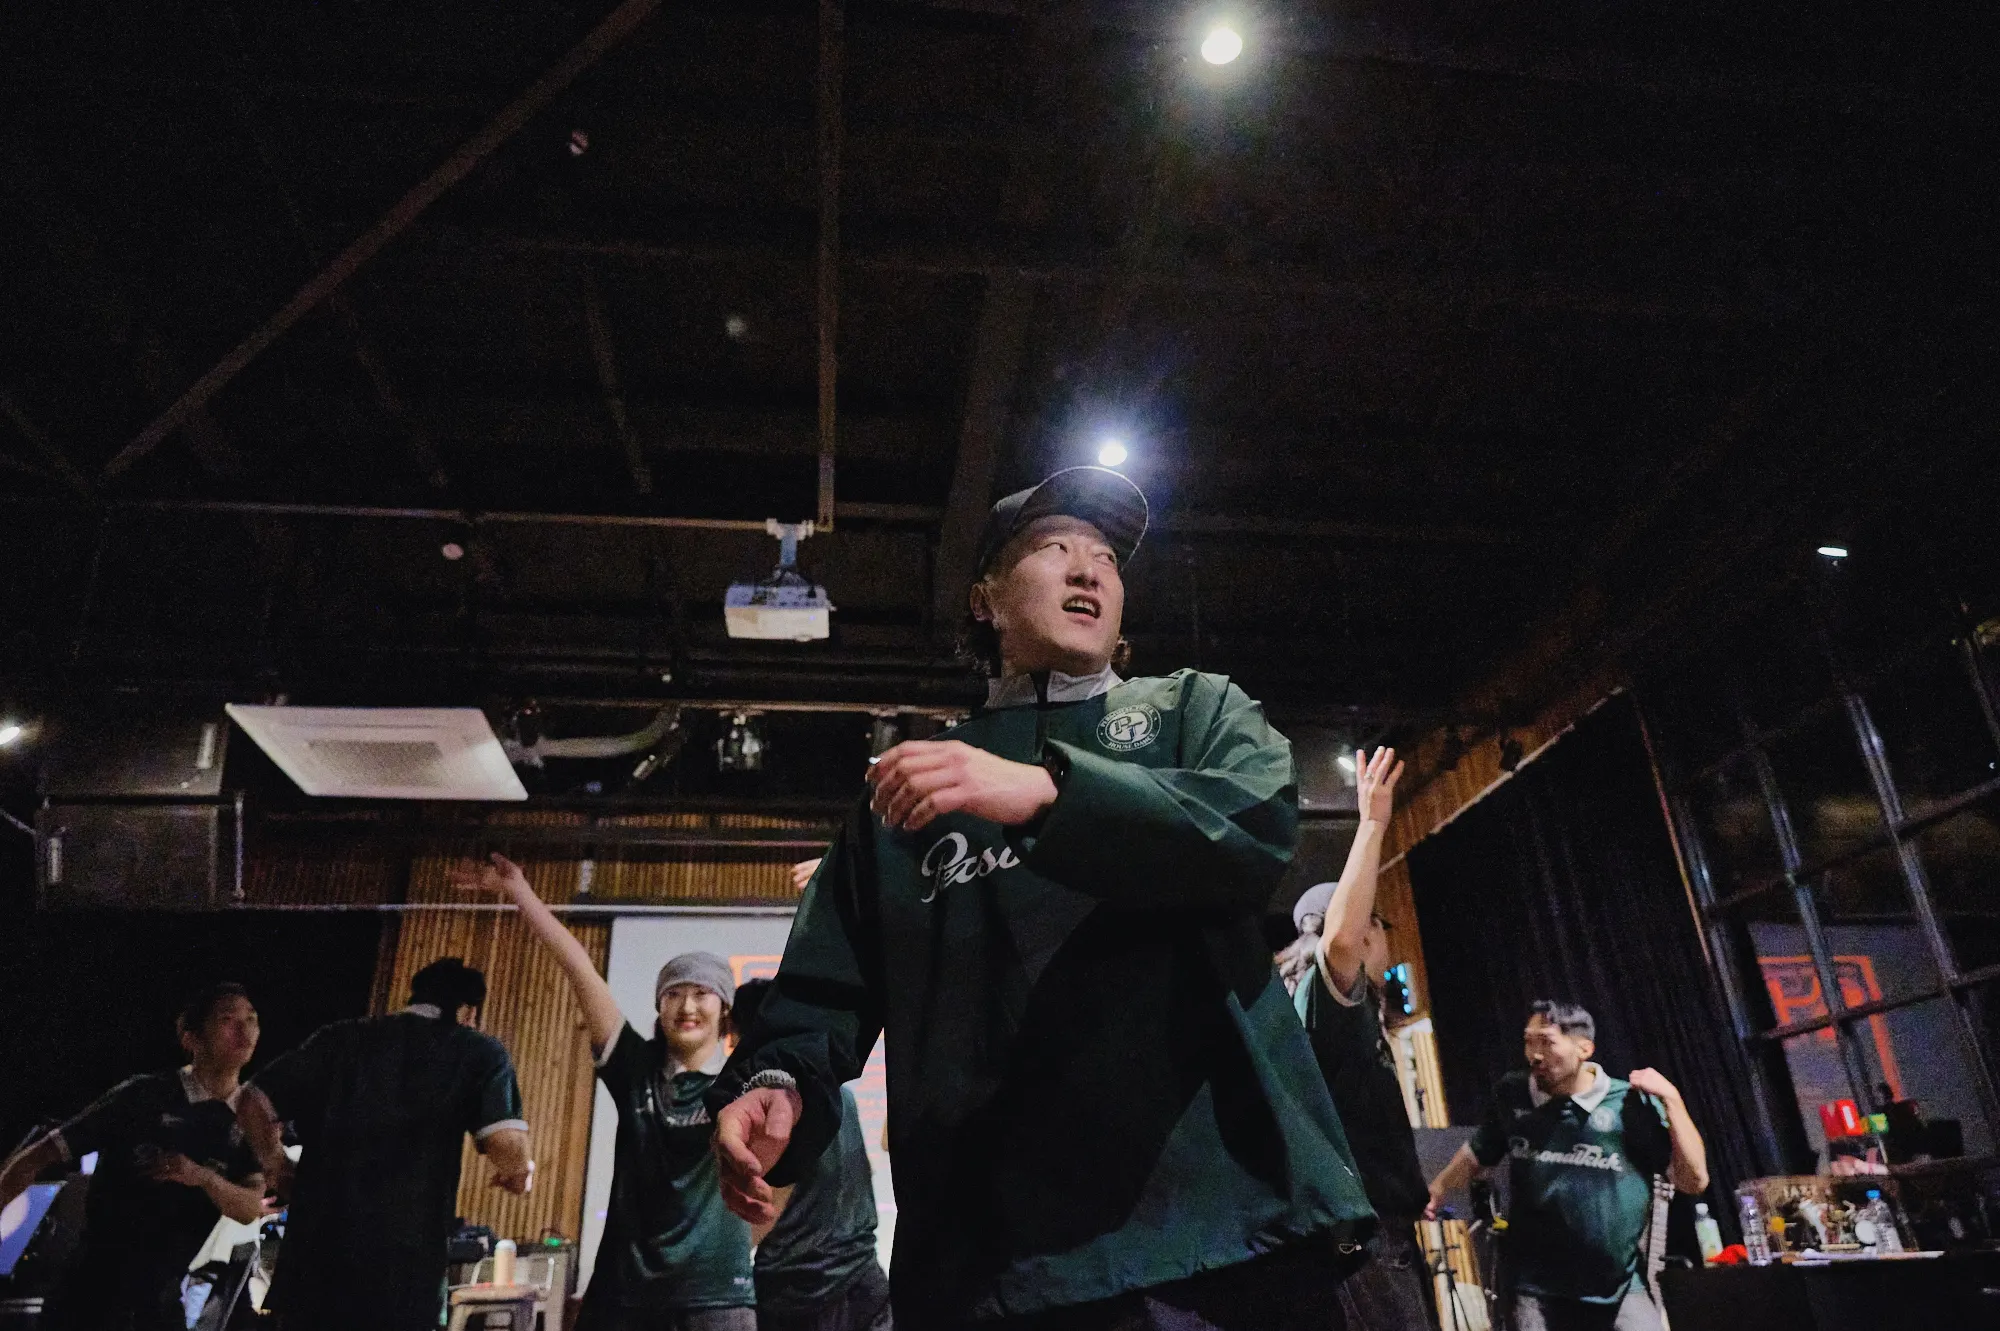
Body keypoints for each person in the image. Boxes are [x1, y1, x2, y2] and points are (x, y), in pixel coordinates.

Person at [708, 466, 1376, 1331]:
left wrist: (1048, 793)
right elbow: (821, 989)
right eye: (1055, 547)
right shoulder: (909, 792)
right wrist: (779, 1082)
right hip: (995, 1266)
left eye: (1107, 558)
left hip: (1221, 1233)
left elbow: (1253, 824)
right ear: (984, 600)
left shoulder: (1193, 712)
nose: (1088, 569)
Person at [453, 854, 757, 1331]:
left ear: (724, 1010)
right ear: (659, 1007)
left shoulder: (744, 1082)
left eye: (702, 993)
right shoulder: (635, 1069)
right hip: (623, 1295)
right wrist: (519, 891)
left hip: (715, 1298)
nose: (687, 1005)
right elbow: (579, 968)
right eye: (673, 993)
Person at [236, 957, 533, 1331]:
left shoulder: (340, 1038)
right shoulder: (476, 1051)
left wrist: (277, 1166)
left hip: (313, 1262)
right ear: (469, 1011)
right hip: (401, 1272)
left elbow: (252, 1100)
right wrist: (520, 1172)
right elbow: (506, 1144)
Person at [1424, 1002, 1710, 1331]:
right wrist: (1439, 1188)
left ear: (1584, 1049)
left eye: (1547, 1042)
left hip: (1617, 1288)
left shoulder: (1628, 1103)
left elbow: (1693, 1181)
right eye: (1529, 1041)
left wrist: (1672, 1100)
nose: (1534, 1055)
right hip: (1535, 1290)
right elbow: (1478, 1152)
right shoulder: (1513, 1094)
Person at [0, 984, 267, 1331]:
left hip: (160, 1301)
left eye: (251, 1019)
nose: (244, 1030)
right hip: (89, 1293)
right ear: (191, 1038)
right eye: (228, 1020)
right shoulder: (142, 1096)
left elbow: (250, 1207)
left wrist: (203, 1177)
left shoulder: (249, 1119)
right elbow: (36, 1157)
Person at [1286, 748, 1436, 1331]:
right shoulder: (1329, 1003)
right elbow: (1340, 945)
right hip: (1362, 1245)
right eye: (1376, 920)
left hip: (1371, 1235)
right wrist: (1372, 823)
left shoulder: (1347, 1014)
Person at [730, 978, 891, 1331]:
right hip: (864, 1279)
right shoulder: (840, 1094)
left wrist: (720, 1265)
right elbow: (862, 1174)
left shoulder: (770, 1107)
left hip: (799, 1293)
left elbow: (767, 1207)